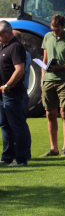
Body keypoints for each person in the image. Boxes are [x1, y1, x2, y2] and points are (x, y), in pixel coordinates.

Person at [40, 14, 65, 157]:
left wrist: (58, 68)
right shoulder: (47, 37)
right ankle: (53, 148)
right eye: (52, 29)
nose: (54, 32)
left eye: (57, 30)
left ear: (64, 27)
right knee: (49, 114)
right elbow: (44, 60)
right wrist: (42, 79)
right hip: (48, 80)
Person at [0, 21, 28, 166]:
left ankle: (21, 159)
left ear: (6, 32)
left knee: (17, 125)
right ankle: (7, 157)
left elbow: (20, 70)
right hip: (2, 95)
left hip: (12, 93)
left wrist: (7, 85)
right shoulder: (3, 46)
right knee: (5, 125)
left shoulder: (15, 47)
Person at [12, 30, 32, 160]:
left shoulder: (24, 54)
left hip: (20, 92)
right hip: (15, 92)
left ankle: (25, 153)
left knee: (21, 124)